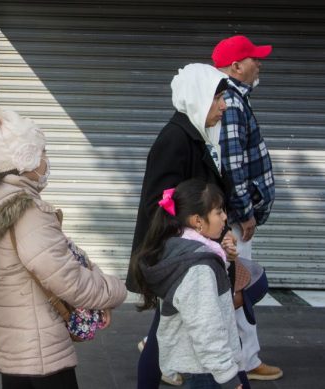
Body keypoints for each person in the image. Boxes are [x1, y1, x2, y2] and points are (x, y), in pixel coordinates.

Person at [0, 101, 127, 389]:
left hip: (13, 347)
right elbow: (66, 277)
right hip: (39, 349)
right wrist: (112, 291)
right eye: (43, 152)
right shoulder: (26, 211)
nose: (47, 160)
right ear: (27, 158)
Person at [127, 63, 233, 388]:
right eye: (217, 98)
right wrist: (199, 235)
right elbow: (158, 204)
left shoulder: (194, 136)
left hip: (185, 257)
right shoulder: (176, 139)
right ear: (199, 98)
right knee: (164, 334)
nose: (223, 106)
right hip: (181, 261)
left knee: (164, 333)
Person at [212, 35, 281, 381]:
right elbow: (234, 166)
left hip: (232, 214)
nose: (260, 64)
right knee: (239, 285)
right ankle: (247, 360)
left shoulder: (233, 100)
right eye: (254, 59)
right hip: (237, 217)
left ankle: (159, 345)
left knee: (221, 284)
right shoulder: (233, 104)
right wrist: (245, 212)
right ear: (237, 66)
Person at [131, 178, 243, 389]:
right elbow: (206, 326)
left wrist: (225, 260)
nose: (225, 218)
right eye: (219, 212)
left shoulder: (183, 250)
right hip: (206, 370)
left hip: (202, 365)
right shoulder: (198, 267)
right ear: (197, 221)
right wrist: (227, 375)